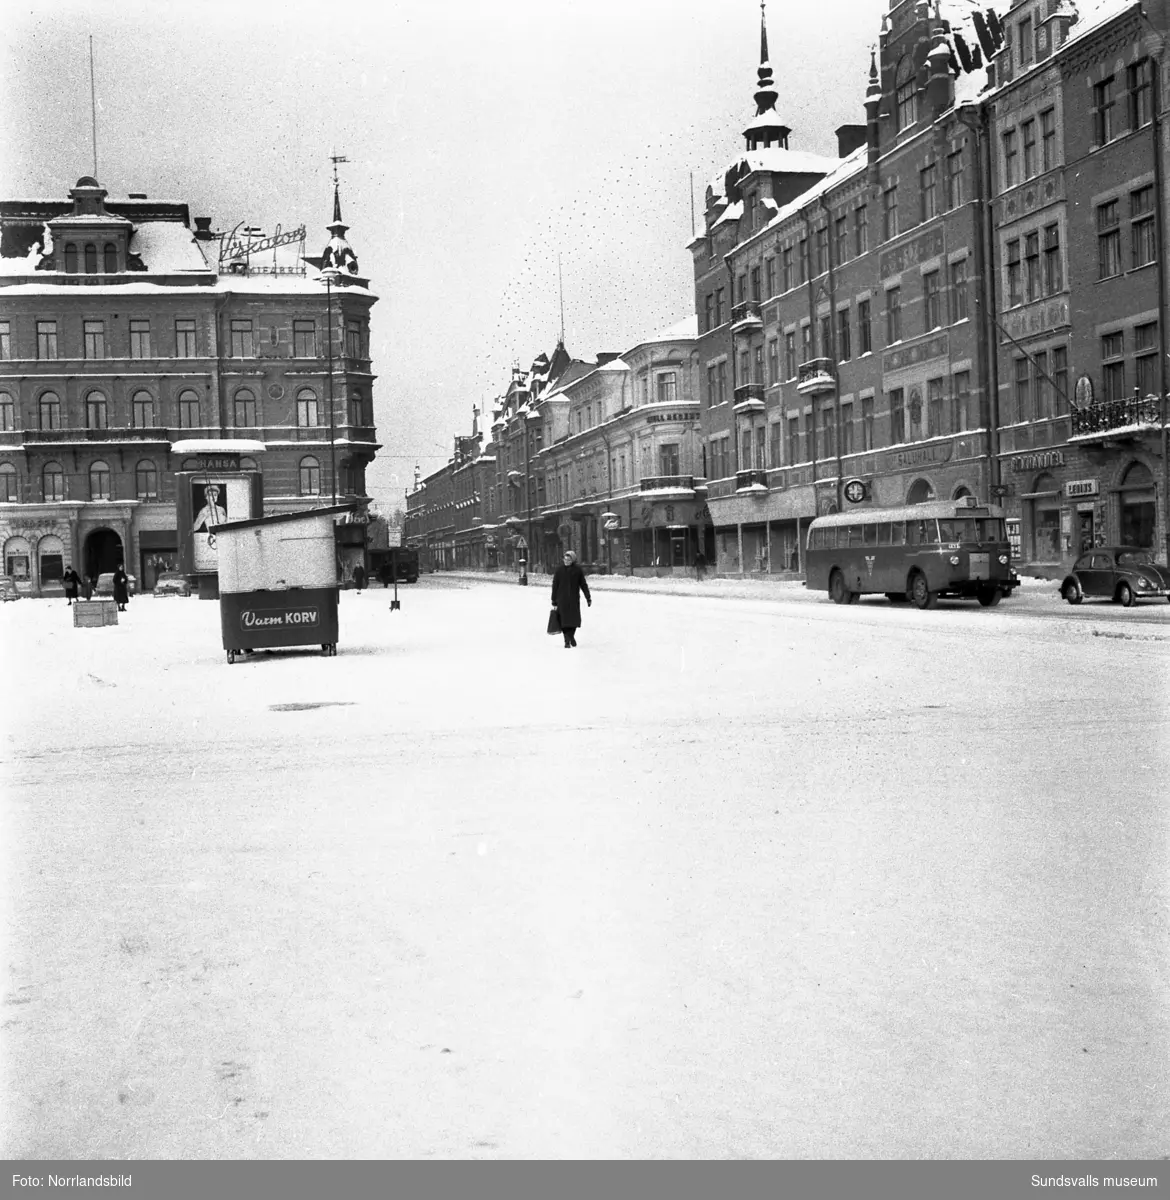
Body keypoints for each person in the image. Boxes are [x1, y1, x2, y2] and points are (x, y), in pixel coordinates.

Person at [551, 549, 591, 649]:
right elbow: (555, 585)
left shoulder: (577, 570)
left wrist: (588, 597)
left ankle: (571, 636)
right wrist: (553, 599)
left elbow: (583, 584)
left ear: (573, 560)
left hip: (573, 599)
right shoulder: (559, 570)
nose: (566, 561)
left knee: (574, 620)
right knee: (563, 621)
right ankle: (567, 641)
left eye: (569, 560)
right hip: (562, 599)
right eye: (565, 559)